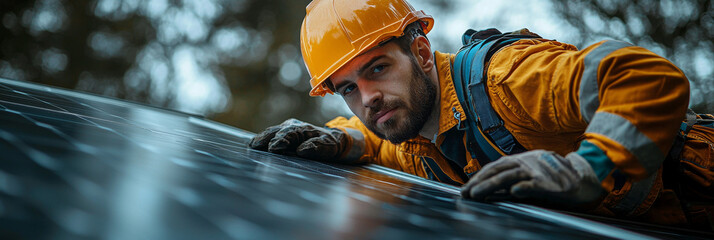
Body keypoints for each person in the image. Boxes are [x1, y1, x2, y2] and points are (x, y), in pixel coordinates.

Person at [249, 0, 714, 230]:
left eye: (378, 68)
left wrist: (587, 167)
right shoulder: (406, 133)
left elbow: (648, 78)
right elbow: (369, 138)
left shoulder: (507, 81)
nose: (368, 98)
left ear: (422, 51)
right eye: (348, 88)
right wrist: (339, 140)